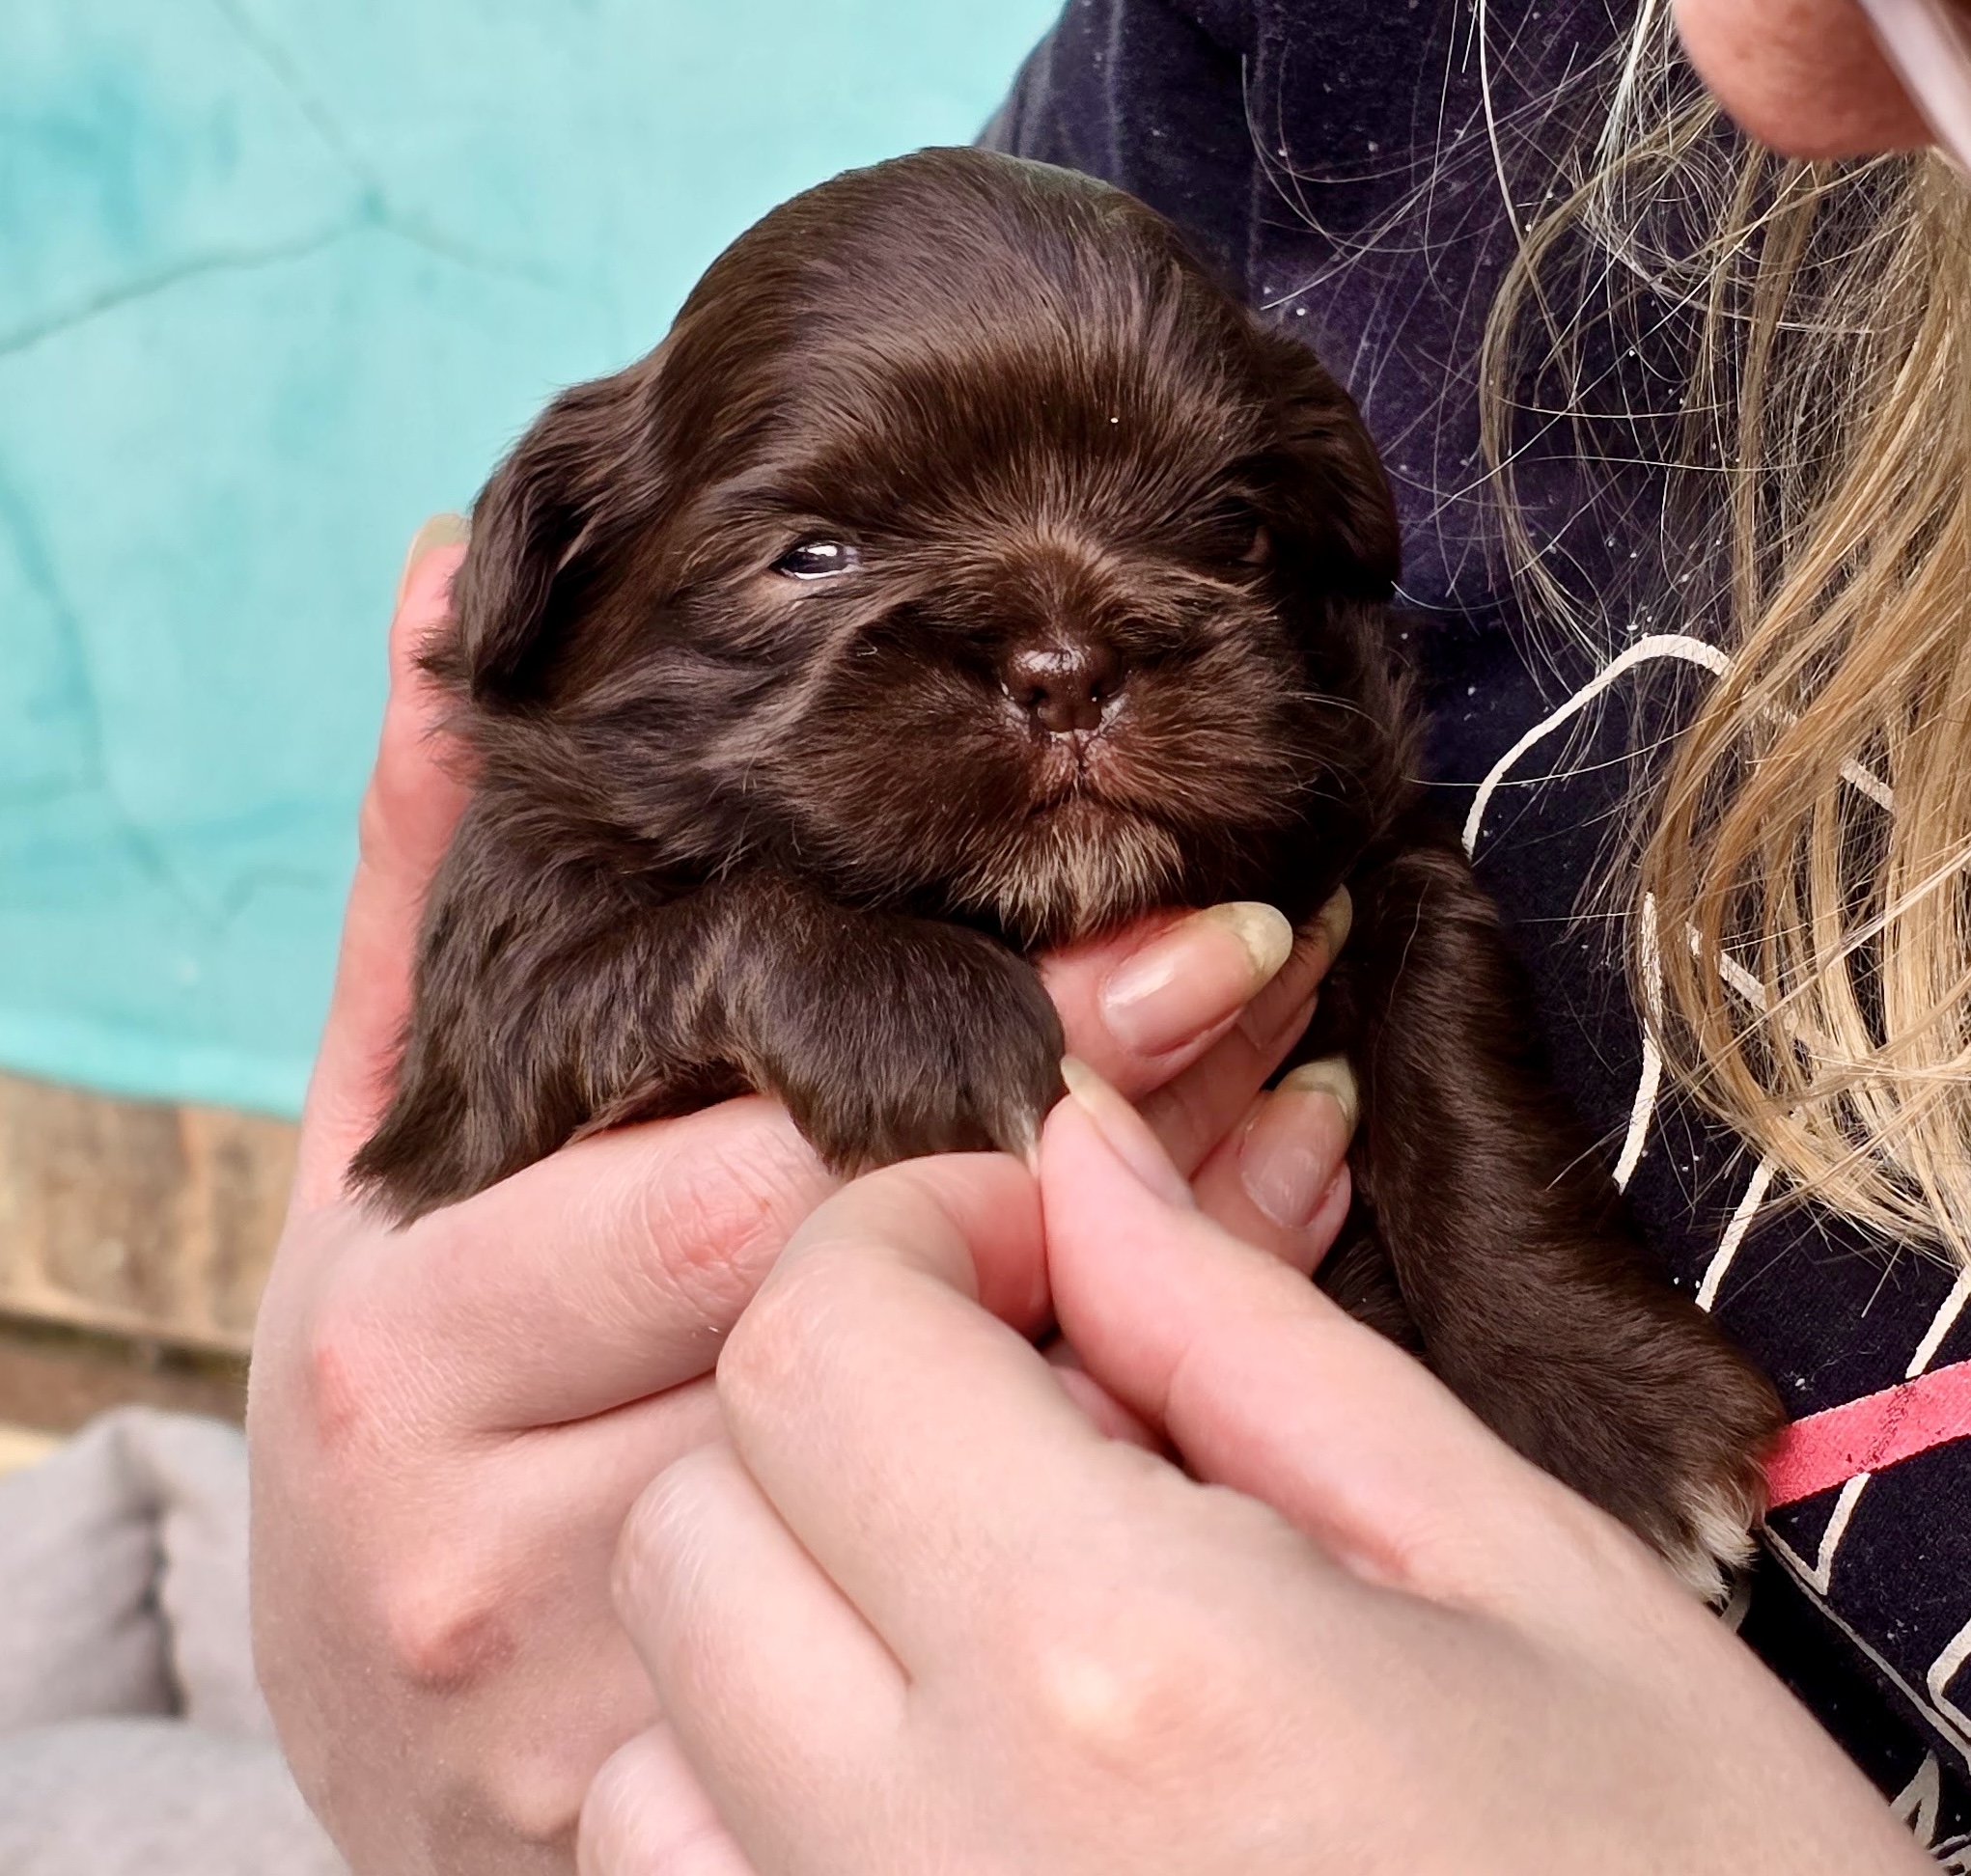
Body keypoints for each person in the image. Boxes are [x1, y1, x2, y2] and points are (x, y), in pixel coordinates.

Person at [246, 0, 1971, 1868]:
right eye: (816, 559)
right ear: (555, 586)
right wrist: (387, 1615)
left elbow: (1396, 895)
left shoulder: (1327, 814)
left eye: (1213, 532)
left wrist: (1533, 1322)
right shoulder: (1291, 73)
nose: (1065, 659)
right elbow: (477, 1292)